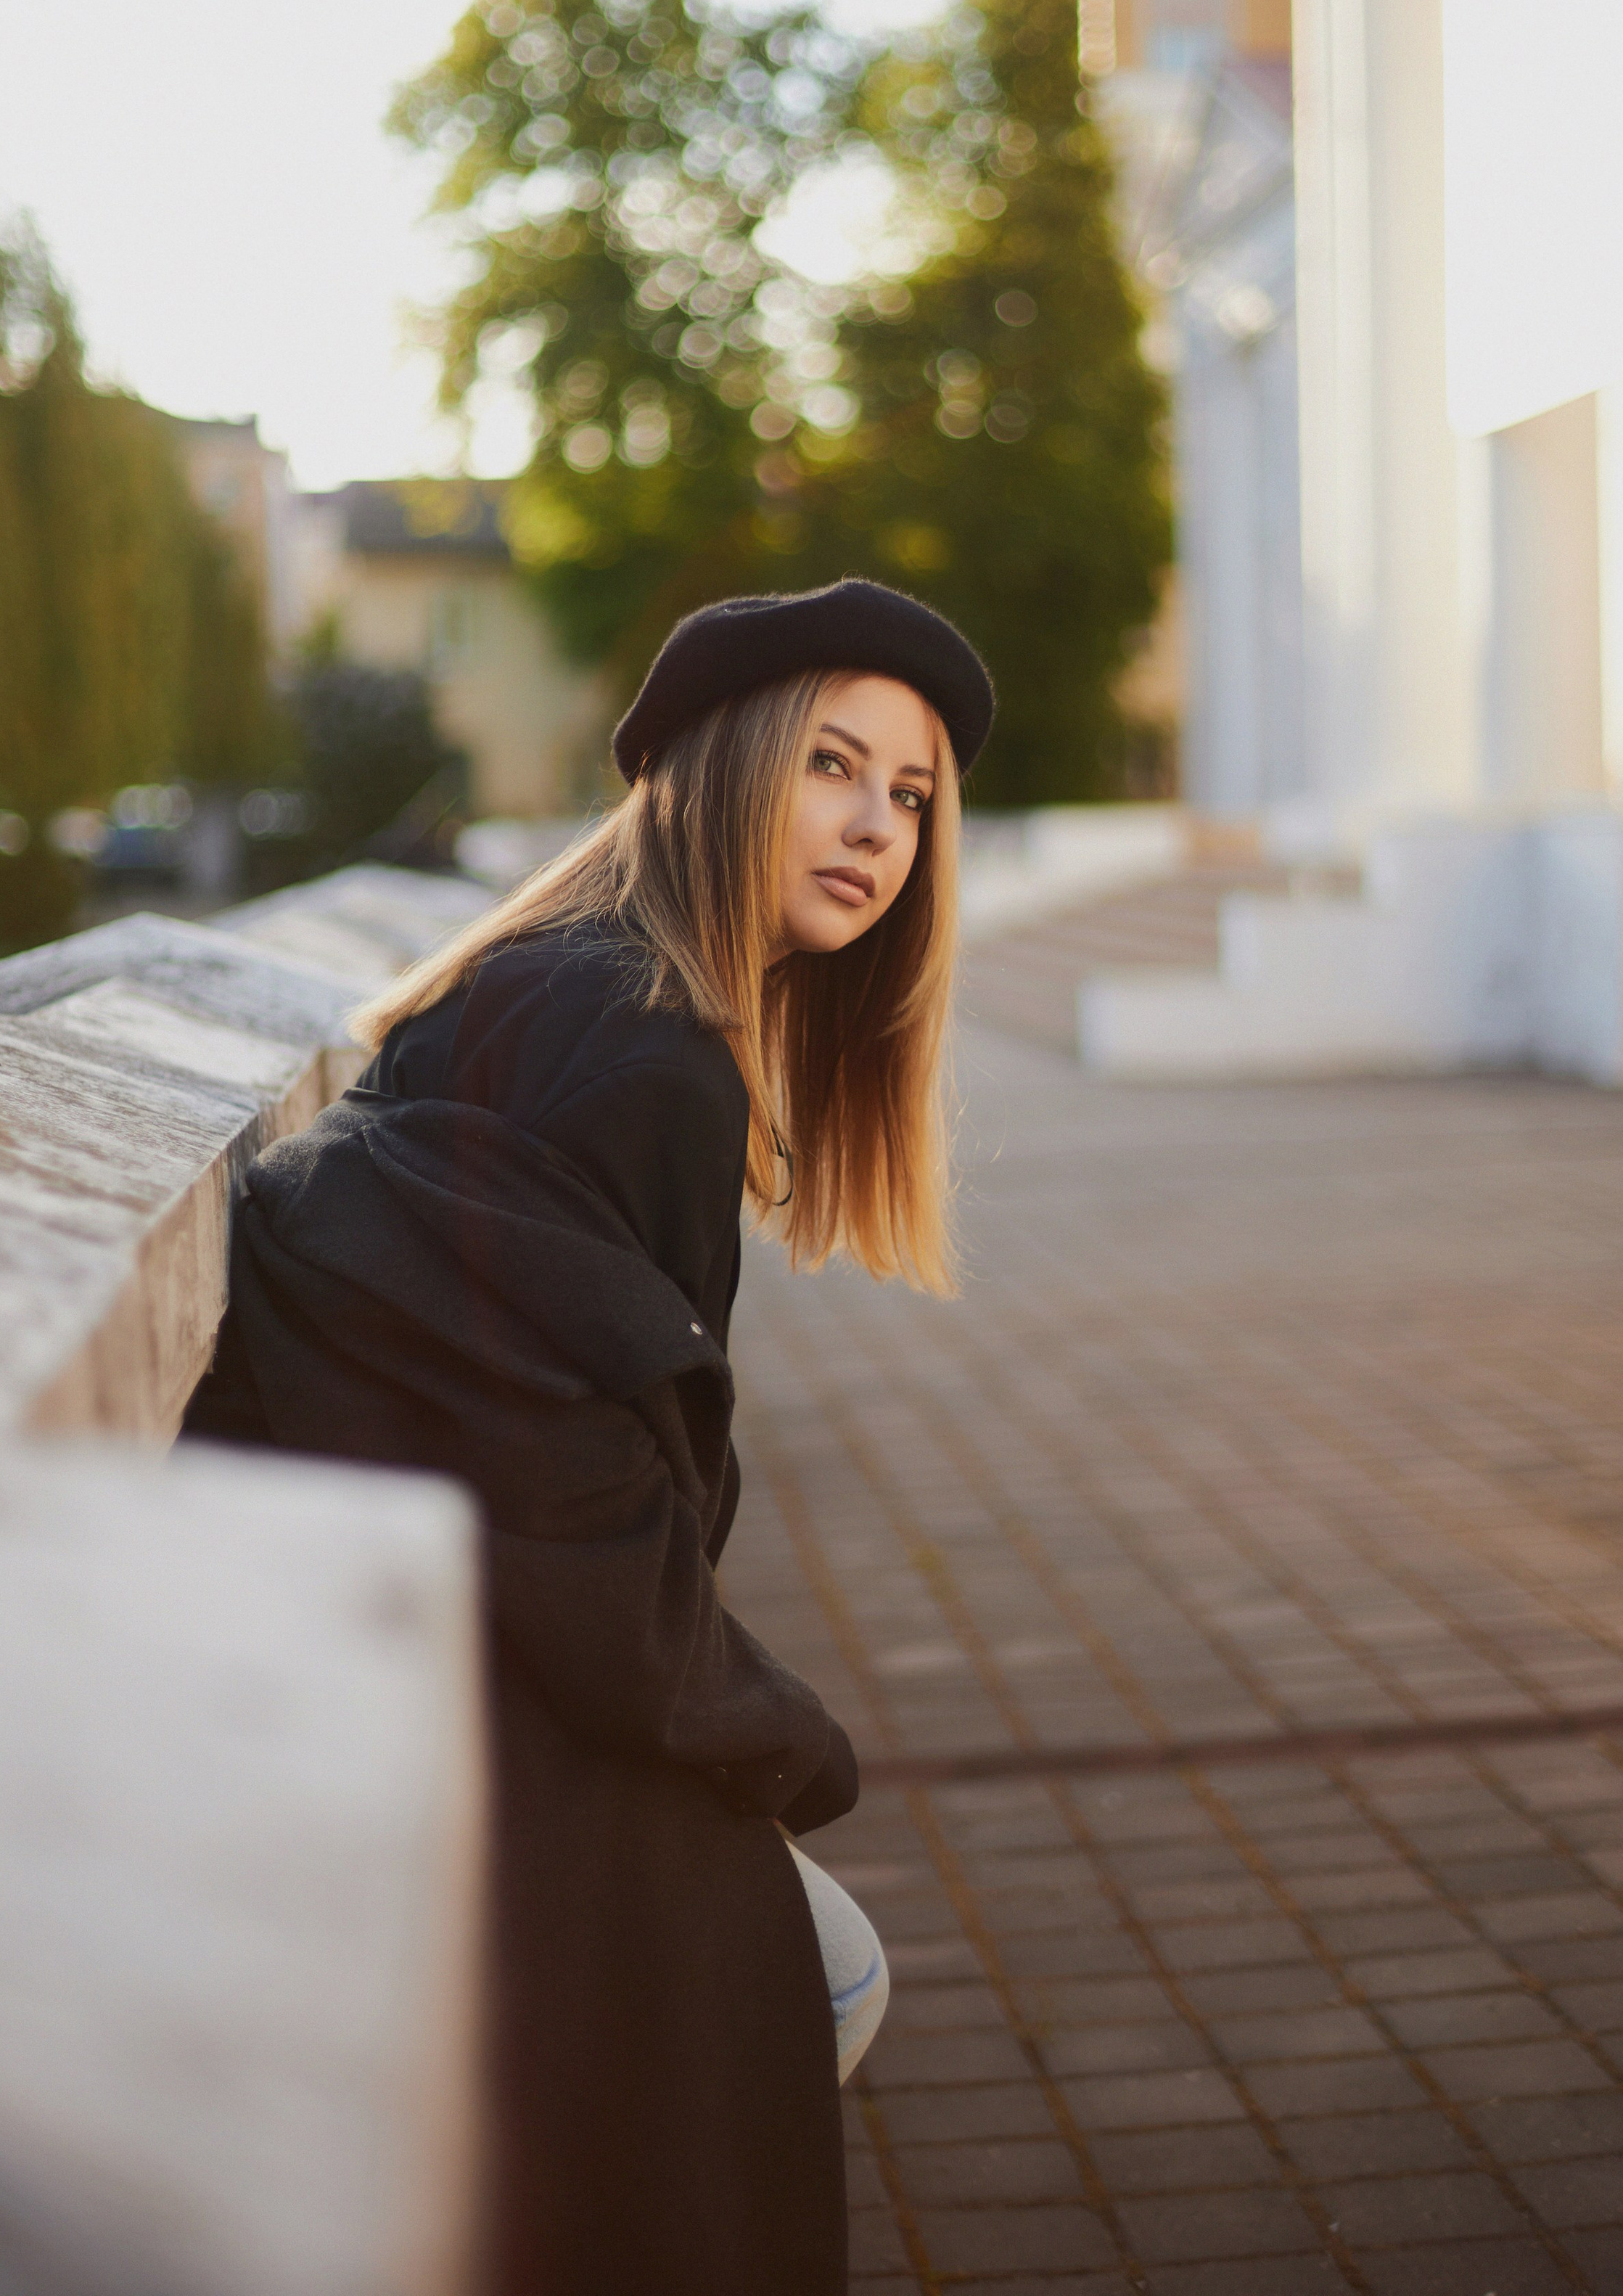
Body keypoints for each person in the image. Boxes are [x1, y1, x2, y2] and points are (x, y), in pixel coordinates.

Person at [181, 579, 995, 2296]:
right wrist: (775, 1739)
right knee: (811, 1994)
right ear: (721, 777)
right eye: (830, 767)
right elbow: (566, 1501)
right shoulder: (650, 1054)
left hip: (359, 1636)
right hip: (416, 1695)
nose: (871, 826)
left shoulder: (571, 980)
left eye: (908, 795)